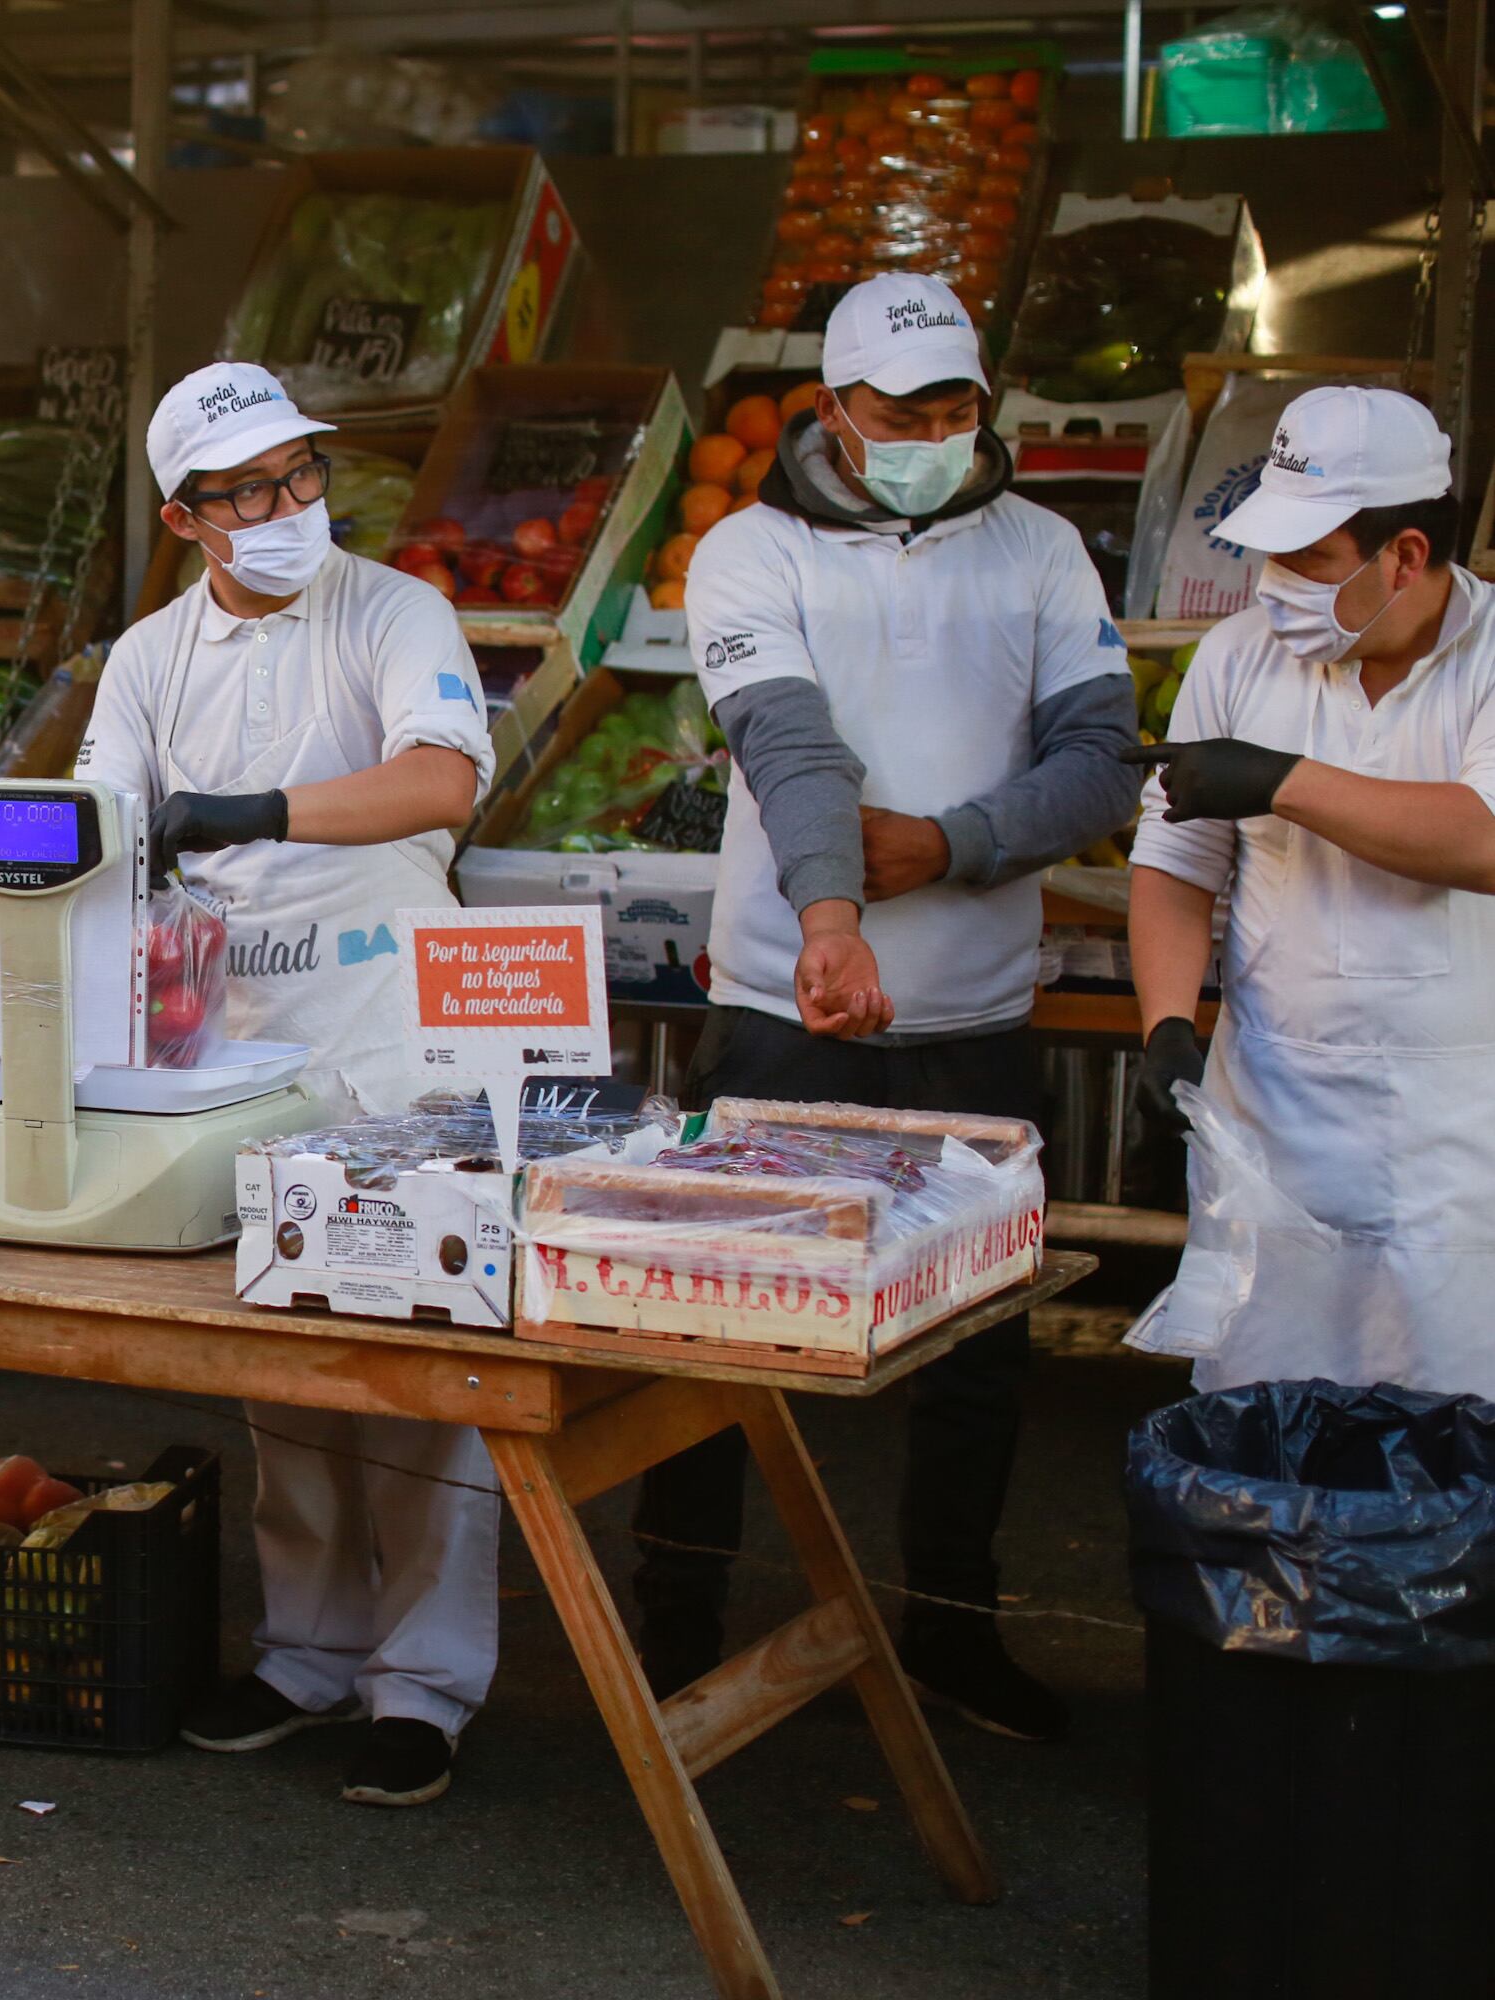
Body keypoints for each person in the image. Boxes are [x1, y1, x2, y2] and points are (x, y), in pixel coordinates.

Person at [654, 273, 1142, 1742]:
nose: (933, 432)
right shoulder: (747, 551)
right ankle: (674, 1625)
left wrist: (952, 846)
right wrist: (831, 919)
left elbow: (1102, 758)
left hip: (980, 1015)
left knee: (979, 1357)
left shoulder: (1043, 550)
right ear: (832, 415)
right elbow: (787, 744)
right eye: (900, 412)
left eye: (956, 408)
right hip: (787, 1006)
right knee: (723, 1339)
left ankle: (953, 1629)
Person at [74, 361, 497, 1809]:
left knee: (426, 1367)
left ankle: (426, 1687)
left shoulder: (395, 611)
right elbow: (98, 831)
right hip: (238, 1043)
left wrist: (255, 812)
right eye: (247, 490)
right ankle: (306, 1653)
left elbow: (442, 780)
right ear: (188, 517)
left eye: (300, 475)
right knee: (285, 1364)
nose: (286, 507)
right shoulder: (147, 660)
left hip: (393, 1030)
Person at [1129, 386, 1495, 1399]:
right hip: (1274, 1135)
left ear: (1406, 556)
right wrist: (1166, 1024)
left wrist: (1280, 779)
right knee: (1264, 1436)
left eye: (1308, 562)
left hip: (1466, 1153)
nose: (1274, 585)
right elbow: (1175, 864)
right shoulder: (1238, 657)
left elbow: (1484, 837)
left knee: (1456, 1453)